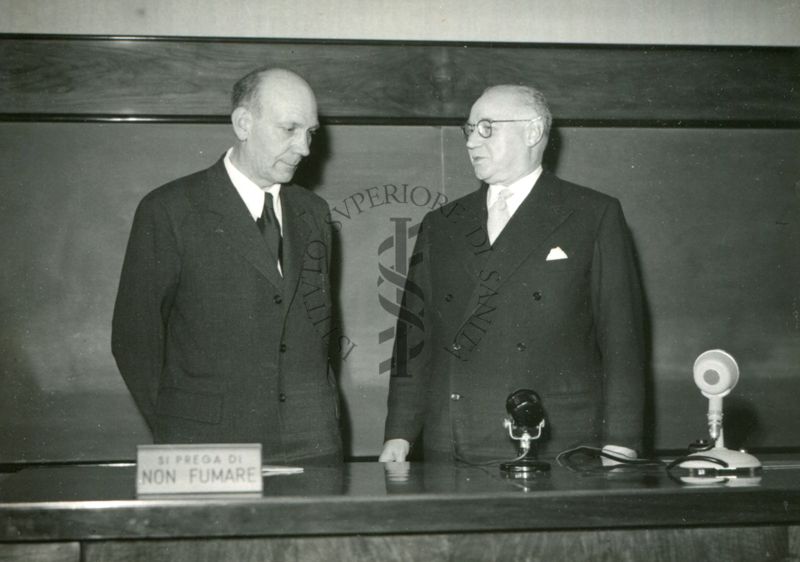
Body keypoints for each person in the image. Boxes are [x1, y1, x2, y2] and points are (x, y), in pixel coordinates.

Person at [379, 84, 645, 464]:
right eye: (469, 130)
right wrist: (400, 434)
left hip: (555, 440)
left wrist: (622, 441)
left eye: (487, 128)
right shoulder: (441, 223)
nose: (472, 143)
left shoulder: (591, 214)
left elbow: (621, 339)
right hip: (452, 436)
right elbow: (412, 339)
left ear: (533, 132)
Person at [112, 68, 342, 464]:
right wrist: (177, 434)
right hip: (208, 448)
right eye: (289, 129)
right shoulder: (169, 210)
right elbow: (134, 340)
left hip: (313, 443)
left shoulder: (314, 213)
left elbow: (318, 332)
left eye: (310, 132)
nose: (304, 148)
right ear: (243, 123)